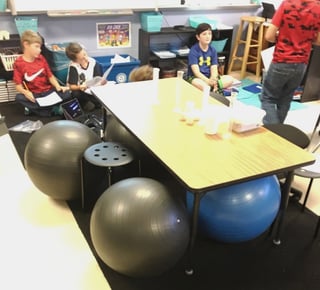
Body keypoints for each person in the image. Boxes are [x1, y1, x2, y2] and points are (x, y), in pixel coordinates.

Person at [260, 0, 320, 124]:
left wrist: (282, 37)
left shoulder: (287, 4)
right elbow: (318, 40)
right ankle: (279, 132)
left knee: (268, 98)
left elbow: (269, 36)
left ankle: (274, 132)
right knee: (286, 98)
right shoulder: (318, 7)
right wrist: (304, 40)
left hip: (282, 60)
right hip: (302, 63)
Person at [13, 30, 71, 117]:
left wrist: (58, 86)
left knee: (67, 93)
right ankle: (51, 110)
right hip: (34, 94)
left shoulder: (41, 58)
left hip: (48, 92)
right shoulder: (19, 63)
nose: (39, 50)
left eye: (40, 47)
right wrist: (25, 92)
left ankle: (39, 111)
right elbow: (18, 85)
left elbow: (50, 76)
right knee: (19, 98)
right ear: (26, 44)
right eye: (36, 47)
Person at [187, 22, 233, 92]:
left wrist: (213, 79)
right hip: (197, 78)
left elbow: (214, 68)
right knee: (199, 84)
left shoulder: (213, 50)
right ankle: (213, 88)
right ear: (198, 37)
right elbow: (196, 72)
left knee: (230, 79)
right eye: (204, 34)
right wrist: (208, 81)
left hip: (210, 77)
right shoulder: (193, 51)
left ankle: (213, 87)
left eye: (209, 33)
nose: (208, 36)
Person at [65, 42, 106, 111]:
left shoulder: (94, 62)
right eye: (81, 58)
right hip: (81, 91)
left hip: (92, 89)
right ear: (75, 61)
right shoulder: (74, 66)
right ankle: (90, 105)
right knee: (76, 94)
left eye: (84, 54)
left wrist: (102, 82)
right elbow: (72, 86)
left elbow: (98, 78)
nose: (85, 58)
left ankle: (97, 105)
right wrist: (80, 87)